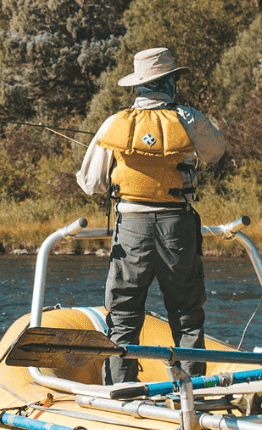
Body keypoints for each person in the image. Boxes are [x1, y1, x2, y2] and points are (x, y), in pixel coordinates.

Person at [77, 47, 226, 383]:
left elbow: (91, 184)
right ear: (170, 82)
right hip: (178, 227)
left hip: (130, 229)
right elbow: (215, 152)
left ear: (138, 87)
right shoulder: (189, 119)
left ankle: (121, 391)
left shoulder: (113, 124)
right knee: (187, 316)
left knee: (123, 315)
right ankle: (190, 395)